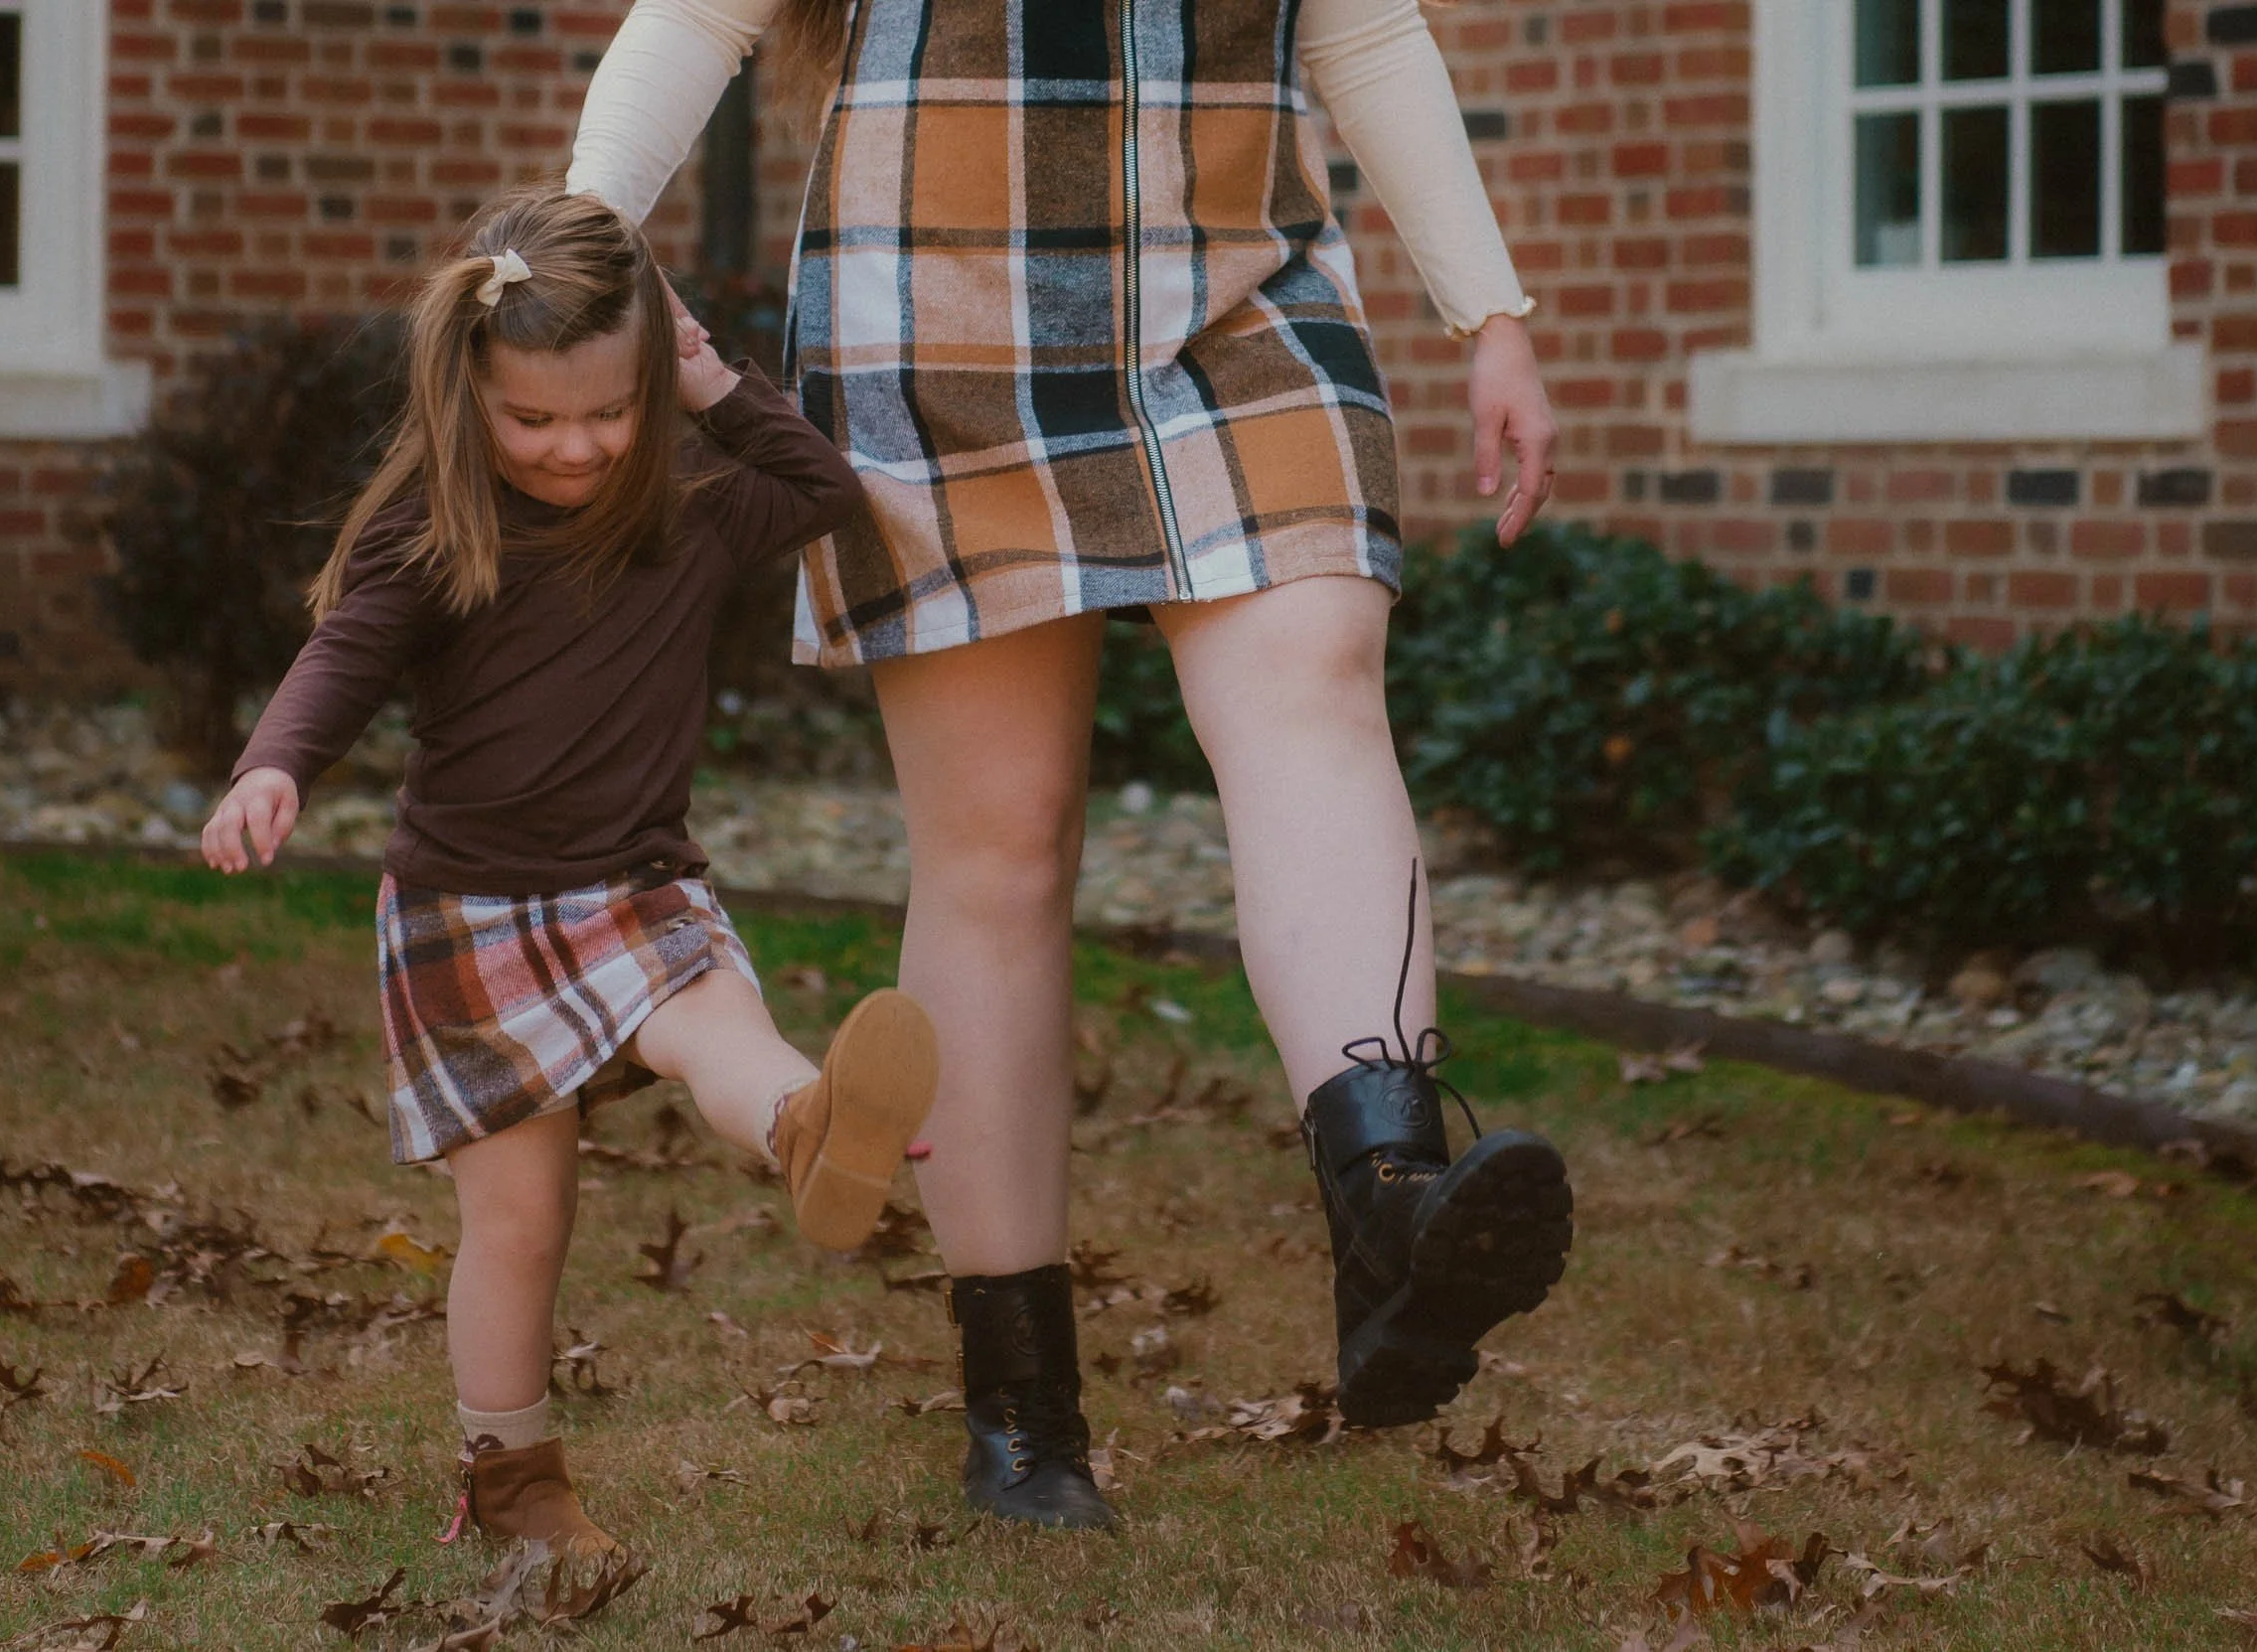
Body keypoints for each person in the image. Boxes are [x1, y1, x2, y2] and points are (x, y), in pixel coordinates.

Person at [567, 0, 1574, 1531]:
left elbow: (1362, 32)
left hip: (1243, 308)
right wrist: (573, 248)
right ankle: (1023, 1413)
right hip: (934, 313)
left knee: (1315, 679)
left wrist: (1488, 310)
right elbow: (700, 19)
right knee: (1002, 845)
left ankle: (1390, 1212)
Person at [201, 185, 939, 1566]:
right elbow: (343, 658)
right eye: (533, 419)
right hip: (466, 907)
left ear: (653, 380)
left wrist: (719, 383)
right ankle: (510, 1482)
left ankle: (806, 1121)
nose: (579, 444)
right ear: (466, 390)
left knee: (718, 1019)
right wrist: (273, 764)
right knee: (522, 1217)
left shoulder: (693, 492)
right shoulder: (436, 524)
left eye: (609, 410)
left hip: (635, 878)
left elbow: (824, 491)